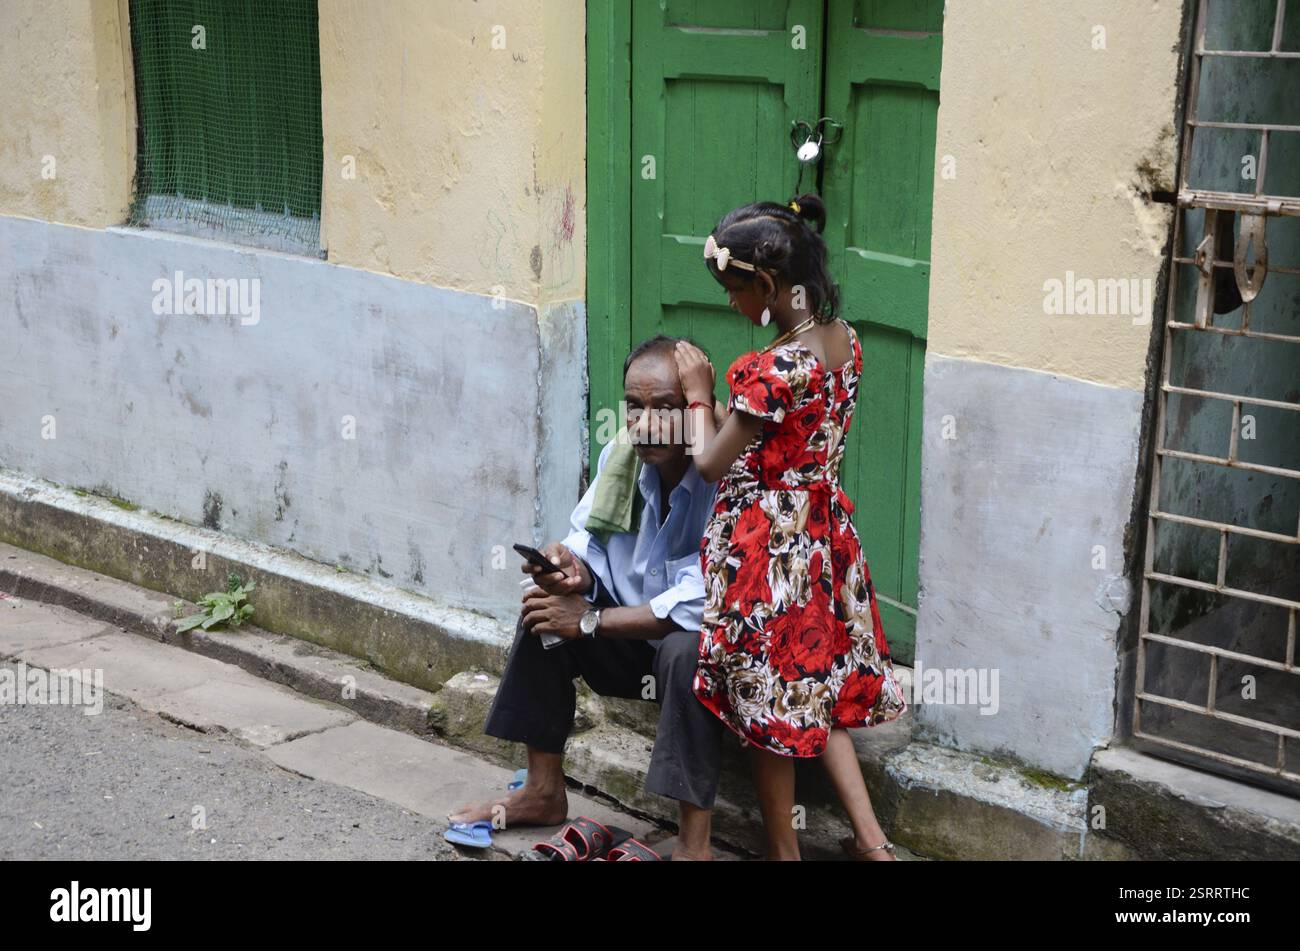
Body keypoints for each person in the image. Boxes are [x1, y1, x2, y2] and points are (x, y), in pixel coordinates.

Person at [673, 192, 908, 861]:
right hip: (824, 538)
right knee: (815, 691)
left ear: (770, 286)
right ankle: (872, 843)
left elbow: (713, 461)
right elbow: (788, 436)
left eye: (733, 291)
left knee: (768, 705)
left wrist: (697, 393)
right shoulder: (843, 343)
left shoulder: (772, 369)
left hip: (772, 555)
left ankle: (784, 850)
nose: (730, 305)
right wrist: (733, 408)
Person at [448, 336, 724, 860]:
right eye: (634, 407)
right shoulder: (622, 459)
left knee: (687, 648)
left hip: (706, 665)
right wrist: (570, 569)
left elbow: (705, 603)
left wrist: (594, 619)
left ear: (697, 410)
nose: (645, 424)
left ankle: (694, 844)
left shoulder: (726, 478)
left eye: (665, 409)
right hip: (629, 641)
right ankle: (543, 791)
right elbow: (589, 544)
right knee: (544, 612)